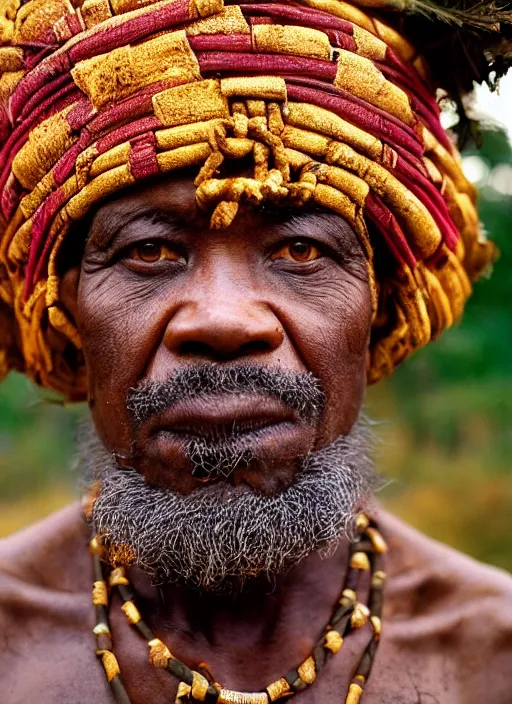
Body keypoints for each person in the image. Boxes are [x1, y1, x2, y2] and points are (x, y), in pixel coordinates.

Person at [0, 0, 511, 701]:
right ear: (65, 312)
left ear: (380, 308)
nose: (223, 319)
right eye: (149, 250)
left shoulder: (492, 659)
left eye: (300, 249)